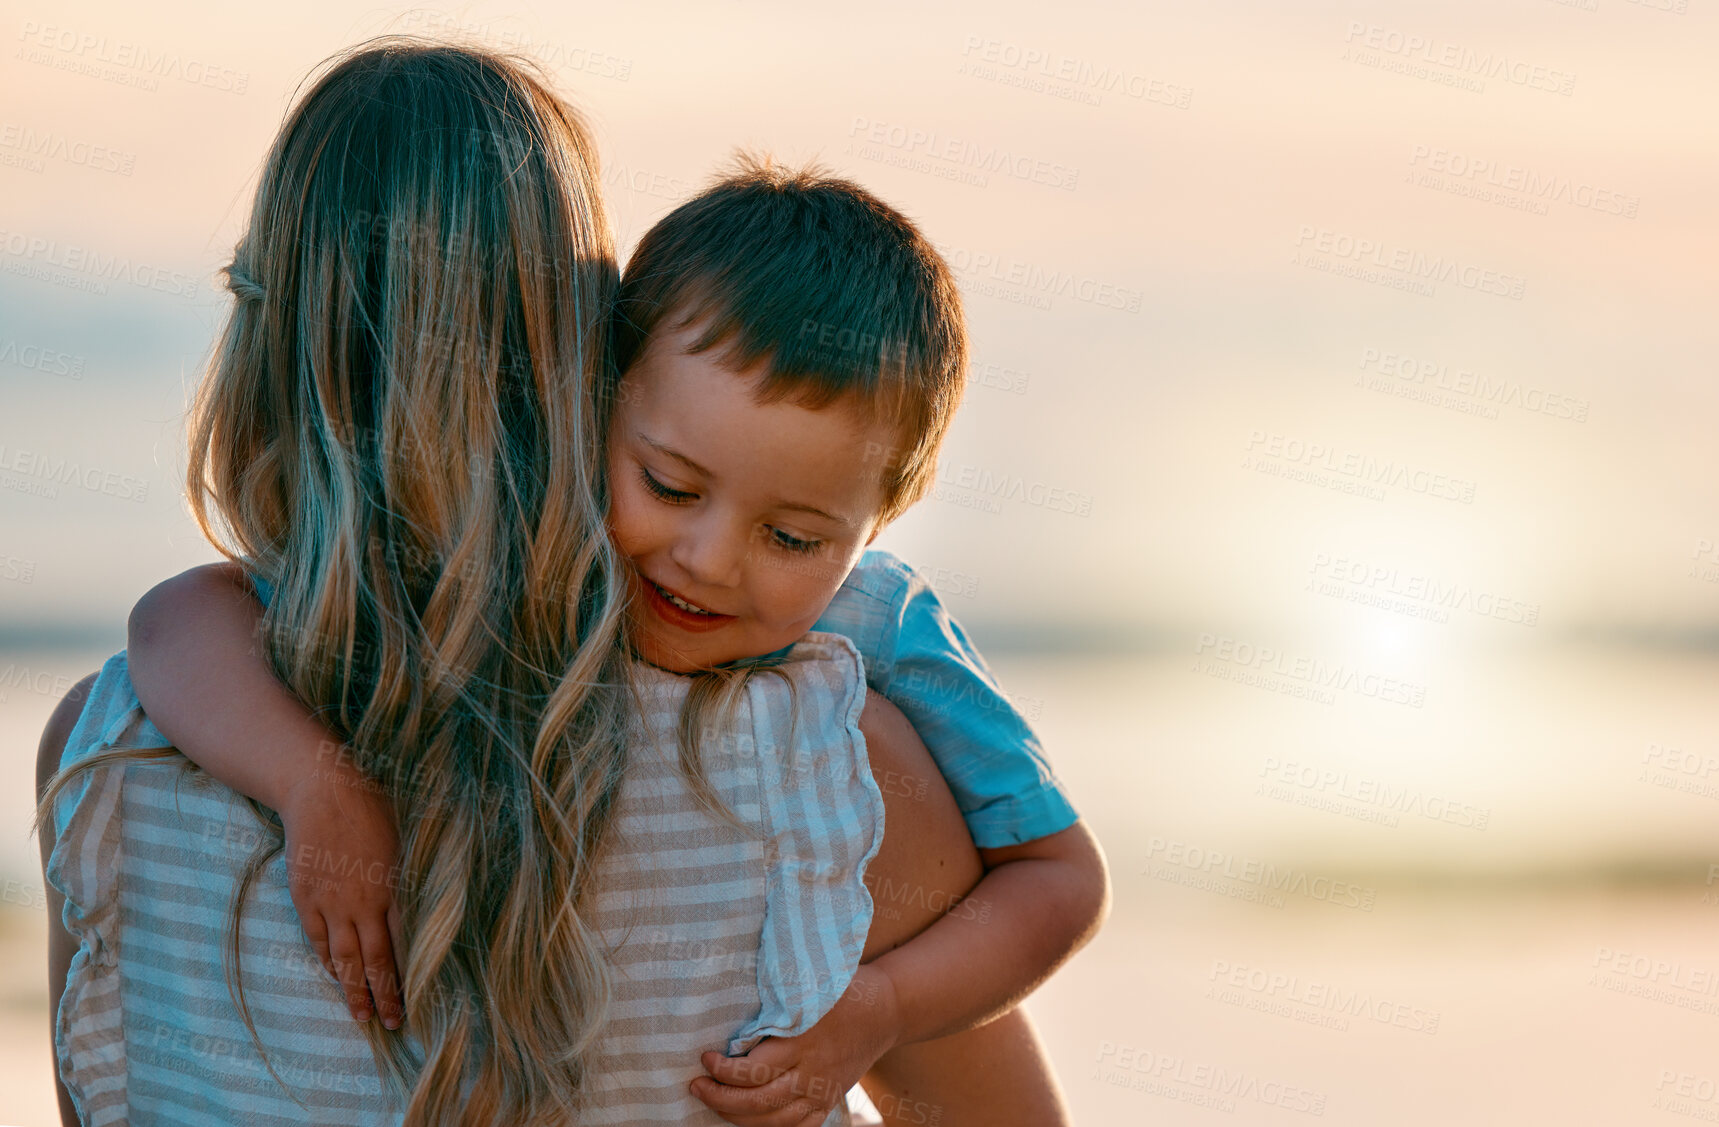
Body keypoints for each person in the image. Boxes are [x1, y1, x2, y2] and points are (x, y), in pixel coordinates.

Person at [35, 38, 1068, 1127]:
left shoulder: (107, 760)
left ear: (258, 338)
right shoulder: (823, 772)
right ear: (596, 362)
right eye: (674, 484)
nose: (712, 558)